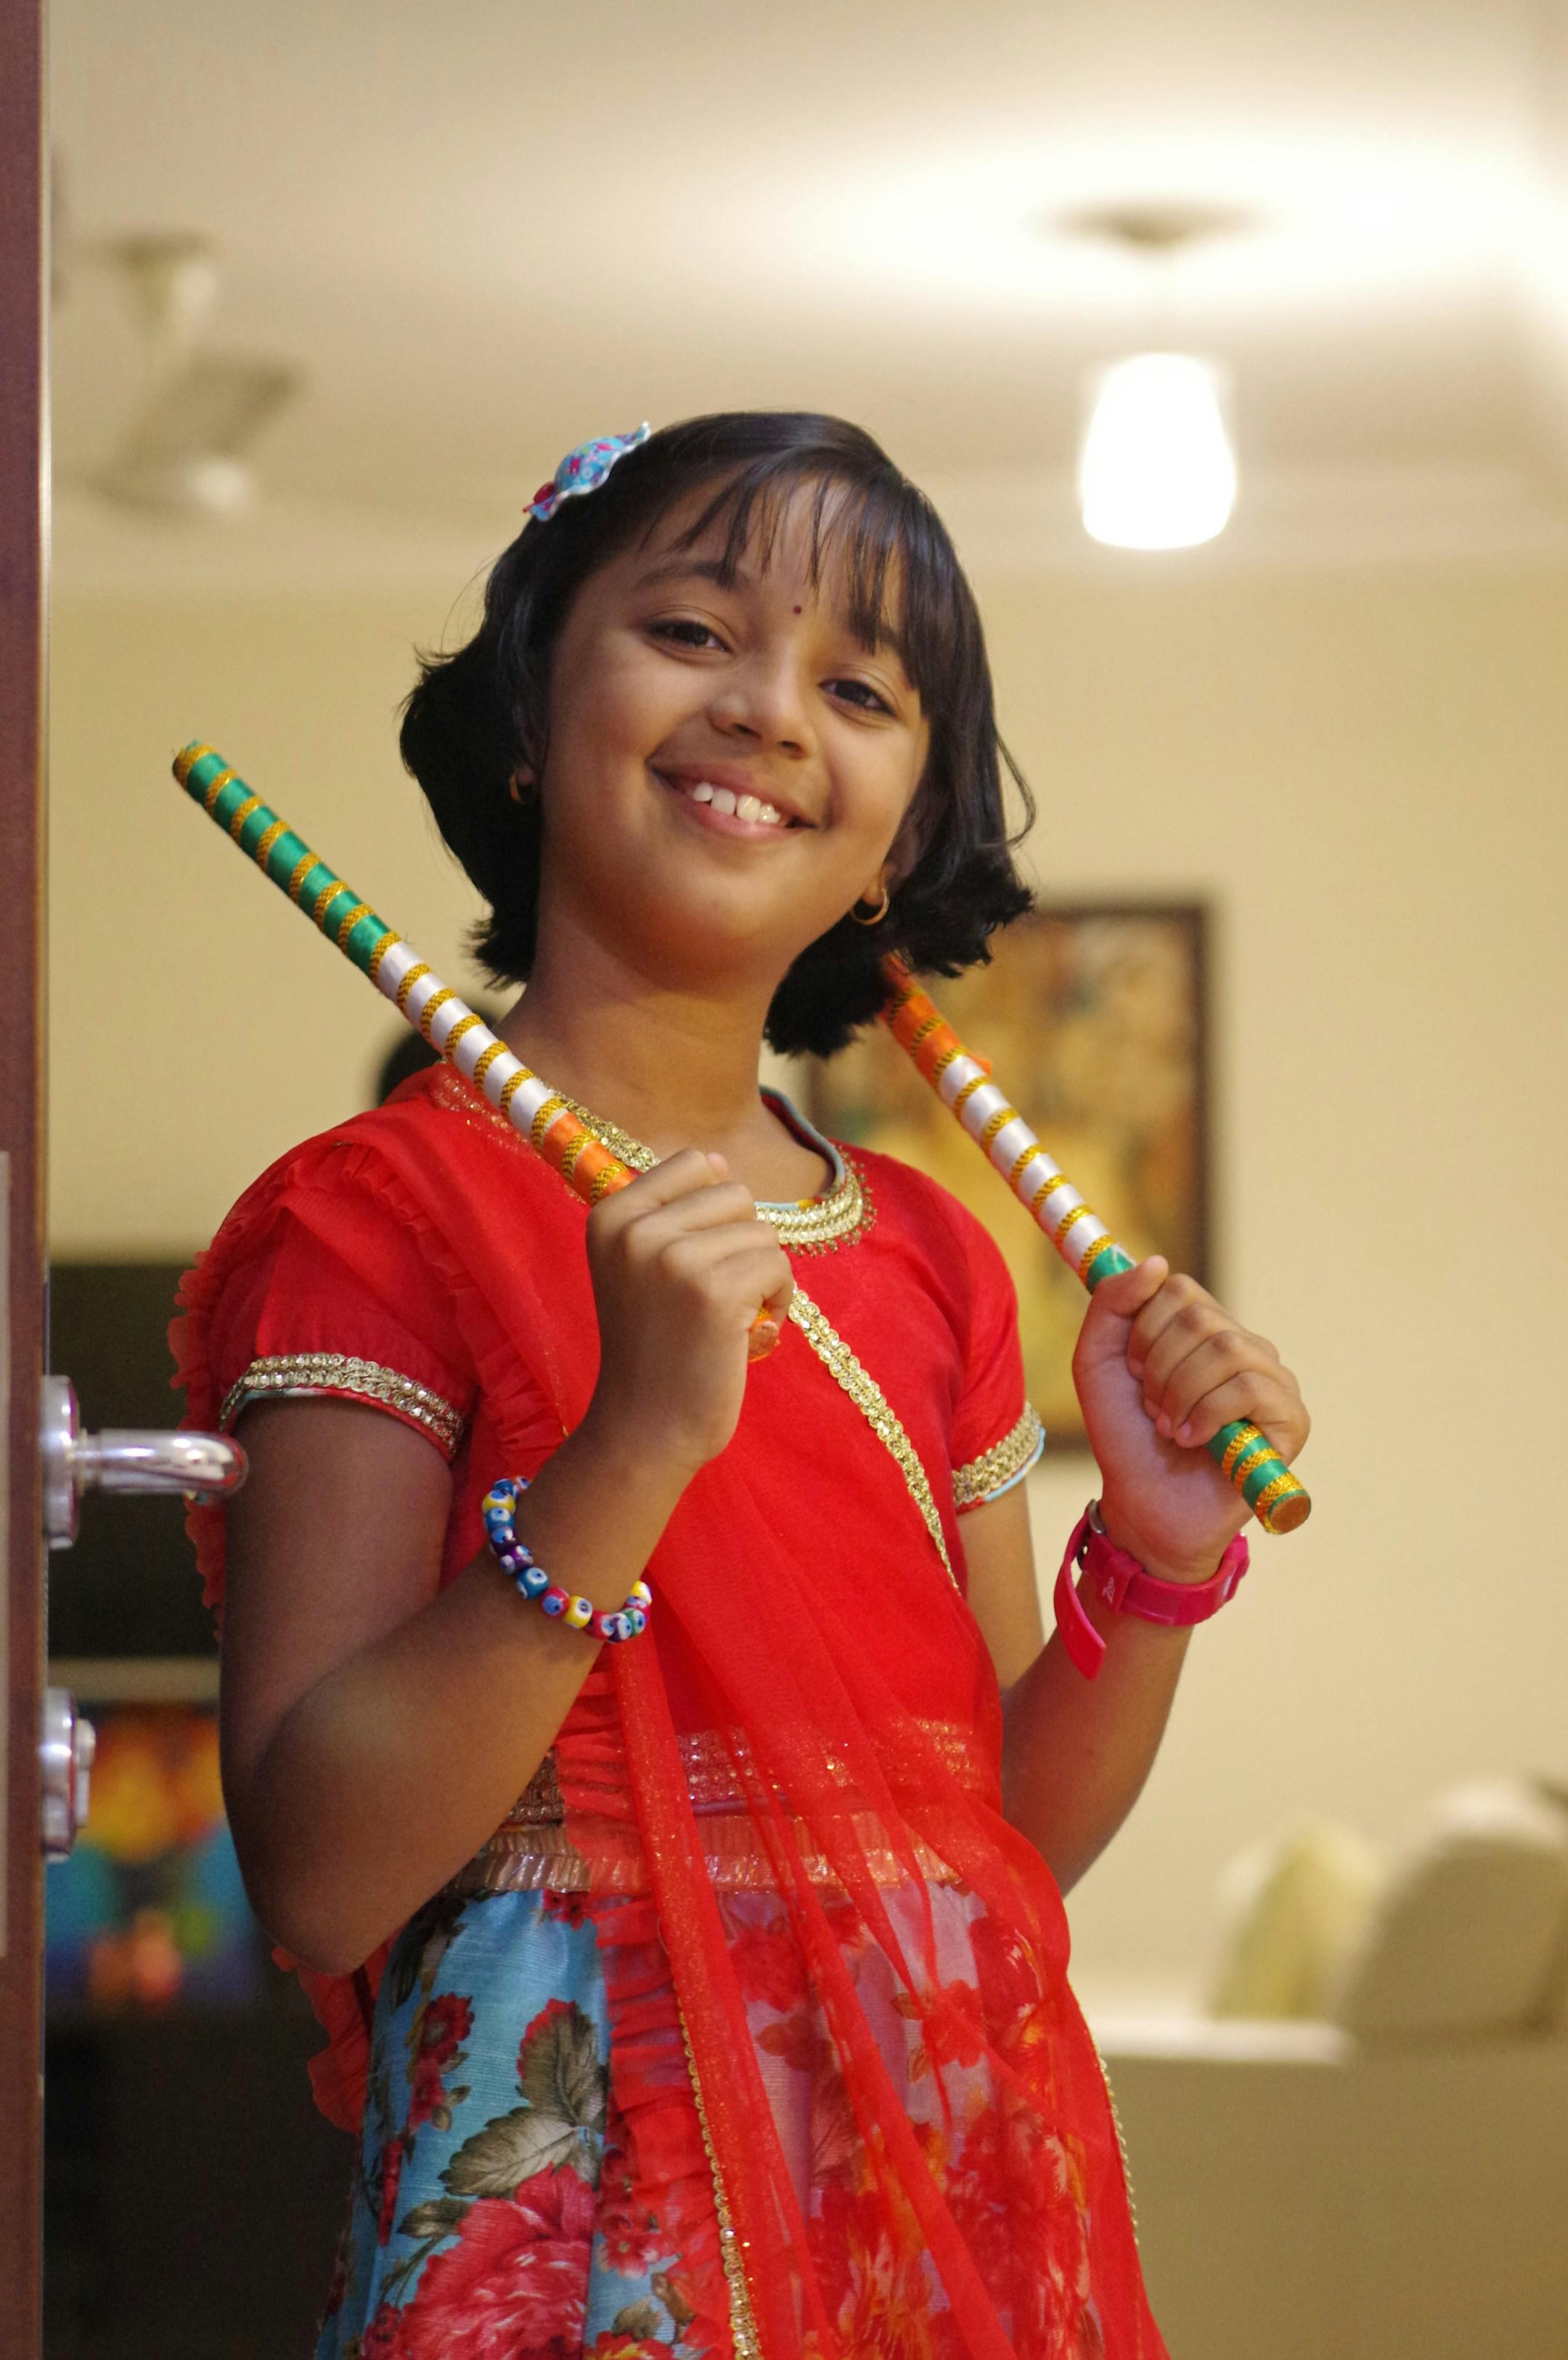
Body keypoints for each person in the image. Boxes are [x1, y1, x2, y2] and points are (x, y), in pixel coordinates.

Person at [173, 411, 1308, 2360]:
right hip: (581, 2211)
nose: (774, 709)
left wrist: (1155, 1555)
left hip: (936, 2193)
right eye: (696, 630)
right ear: (531, 713)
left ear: (900, 834)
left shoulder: (941, 1253)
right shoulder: (377, 1212)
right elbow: (325, 1873)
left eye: (857, 683)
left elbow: (985, 1834)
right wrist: (628, 1452)